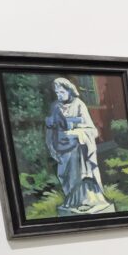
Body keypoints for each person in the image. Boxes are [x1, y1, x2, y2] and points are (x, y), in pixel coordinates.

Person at [45, 76, 113, 214]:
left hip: (78, 150)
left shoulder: (79, 104)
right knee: (65, 175)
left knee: (80, 175)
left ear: (70, 90)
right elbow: (50, 128)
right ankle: (72, 201)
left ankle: (87, 201)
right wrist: (52, 144)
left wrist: (76, 133)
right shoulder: (55, 106)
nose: (59, 95)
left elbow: (92, 130)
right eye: (57, 93)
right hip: (63, 149)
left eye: (62, 92)